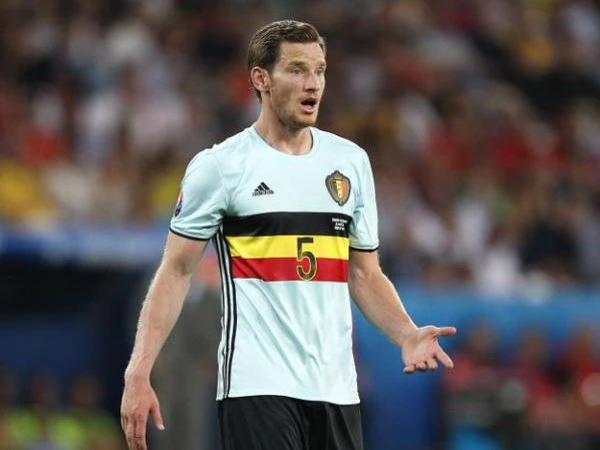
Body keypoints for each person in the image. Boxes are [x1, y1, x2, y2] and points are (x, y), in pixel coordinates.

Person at [120, 19, 457, 450]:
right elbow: (176, 271)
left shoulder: (350, 163)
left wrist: (406, 334)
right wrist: (139, 371)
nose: (312, 83)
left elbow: (364, 274)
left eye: (319, 70)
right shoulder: (221, 167)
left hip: (336, 389)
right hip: (256, 388)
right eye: (297, 69)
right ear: (261, 79)